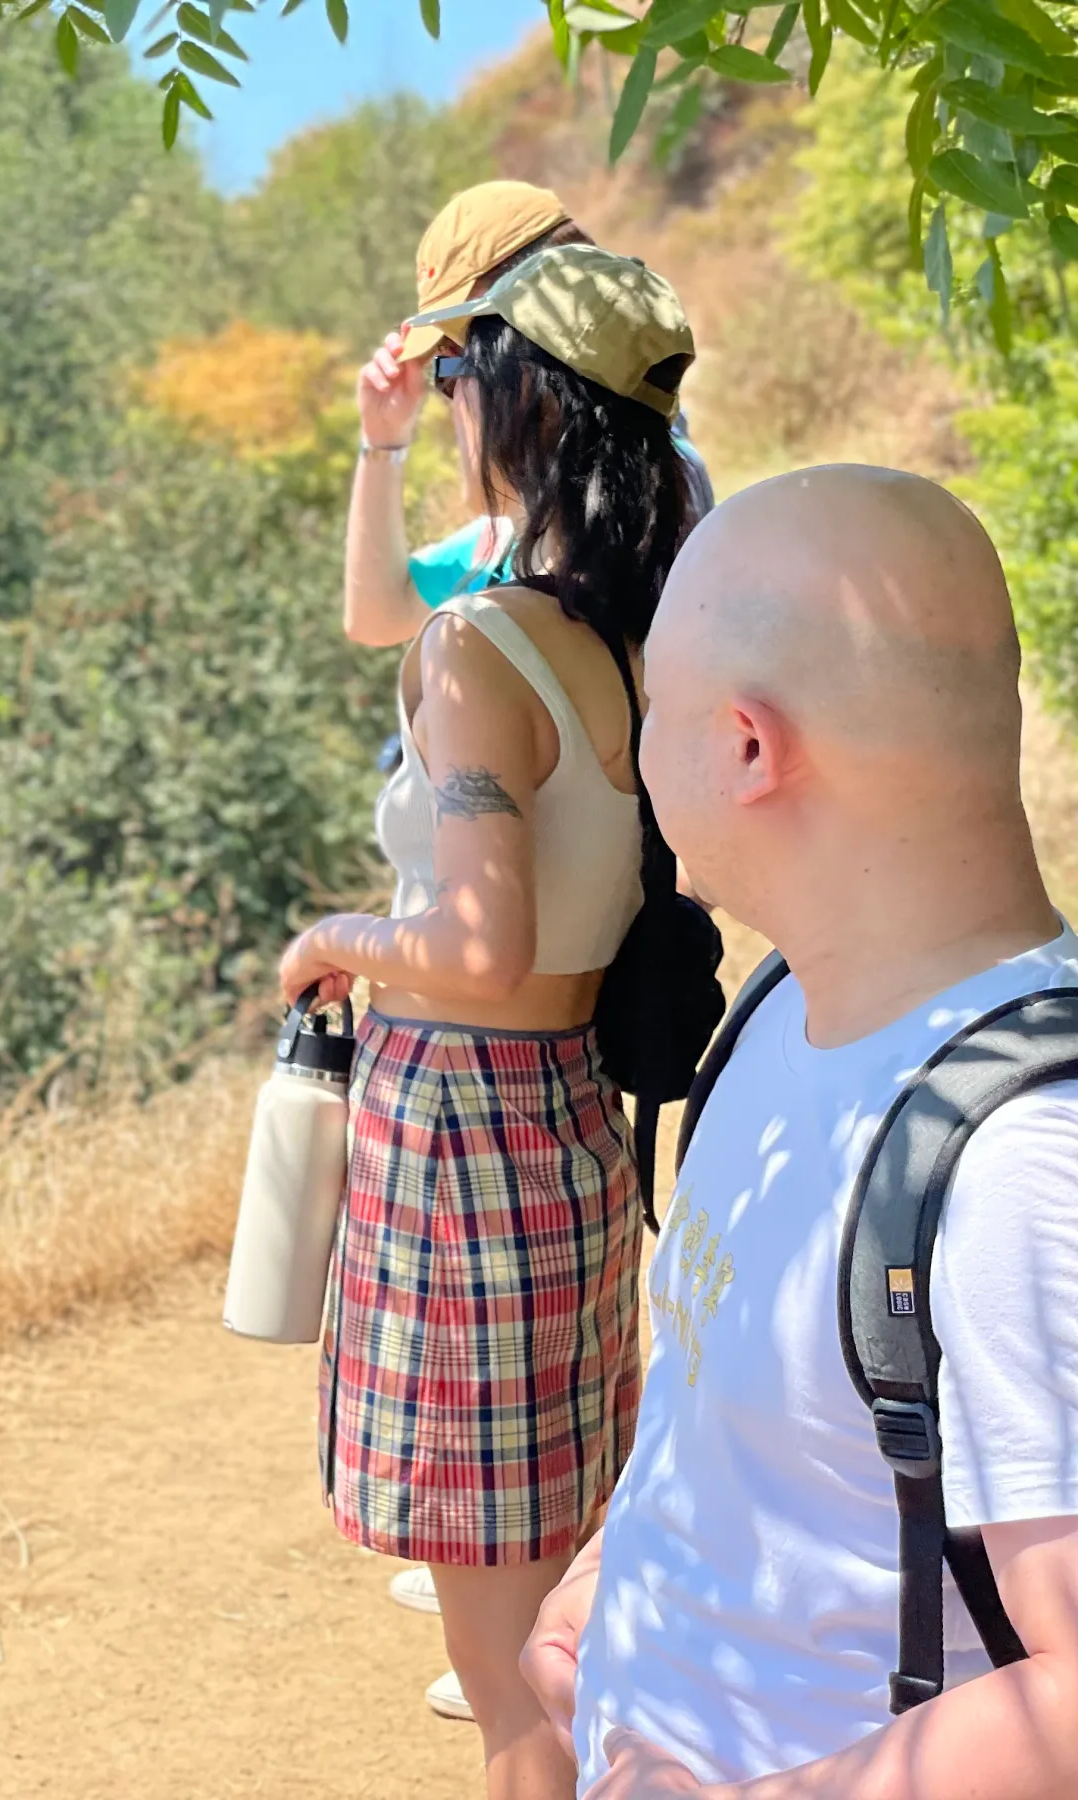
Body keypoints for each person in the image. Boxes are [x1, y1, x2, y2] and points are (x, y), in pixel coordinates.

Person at [519, 466, 1078, 1800]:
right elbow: (740, 1389)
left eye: (655, 712)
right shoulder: (782, 1008)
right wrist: (611, 1578)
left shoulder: (1024, 1161)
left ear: (749, 748)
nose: (637, 757)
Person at [277, 244, 697, 1800]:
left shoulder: (480, 645)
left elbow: (474, 937)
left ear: (511, 401)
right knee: (573, 1617)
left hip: (461, 1128)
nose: (449, 401)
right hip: (581, 1119)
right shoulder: (645, 633)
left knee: (509, 1676)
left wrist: (332, 938)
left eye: (461, 375)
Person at [346, 181, 715, 650]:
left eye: (456, 360)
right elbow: (378, 617)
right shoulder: (559, 509)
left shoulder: (635, 496)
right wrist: (383, 442)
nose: (454, 395)